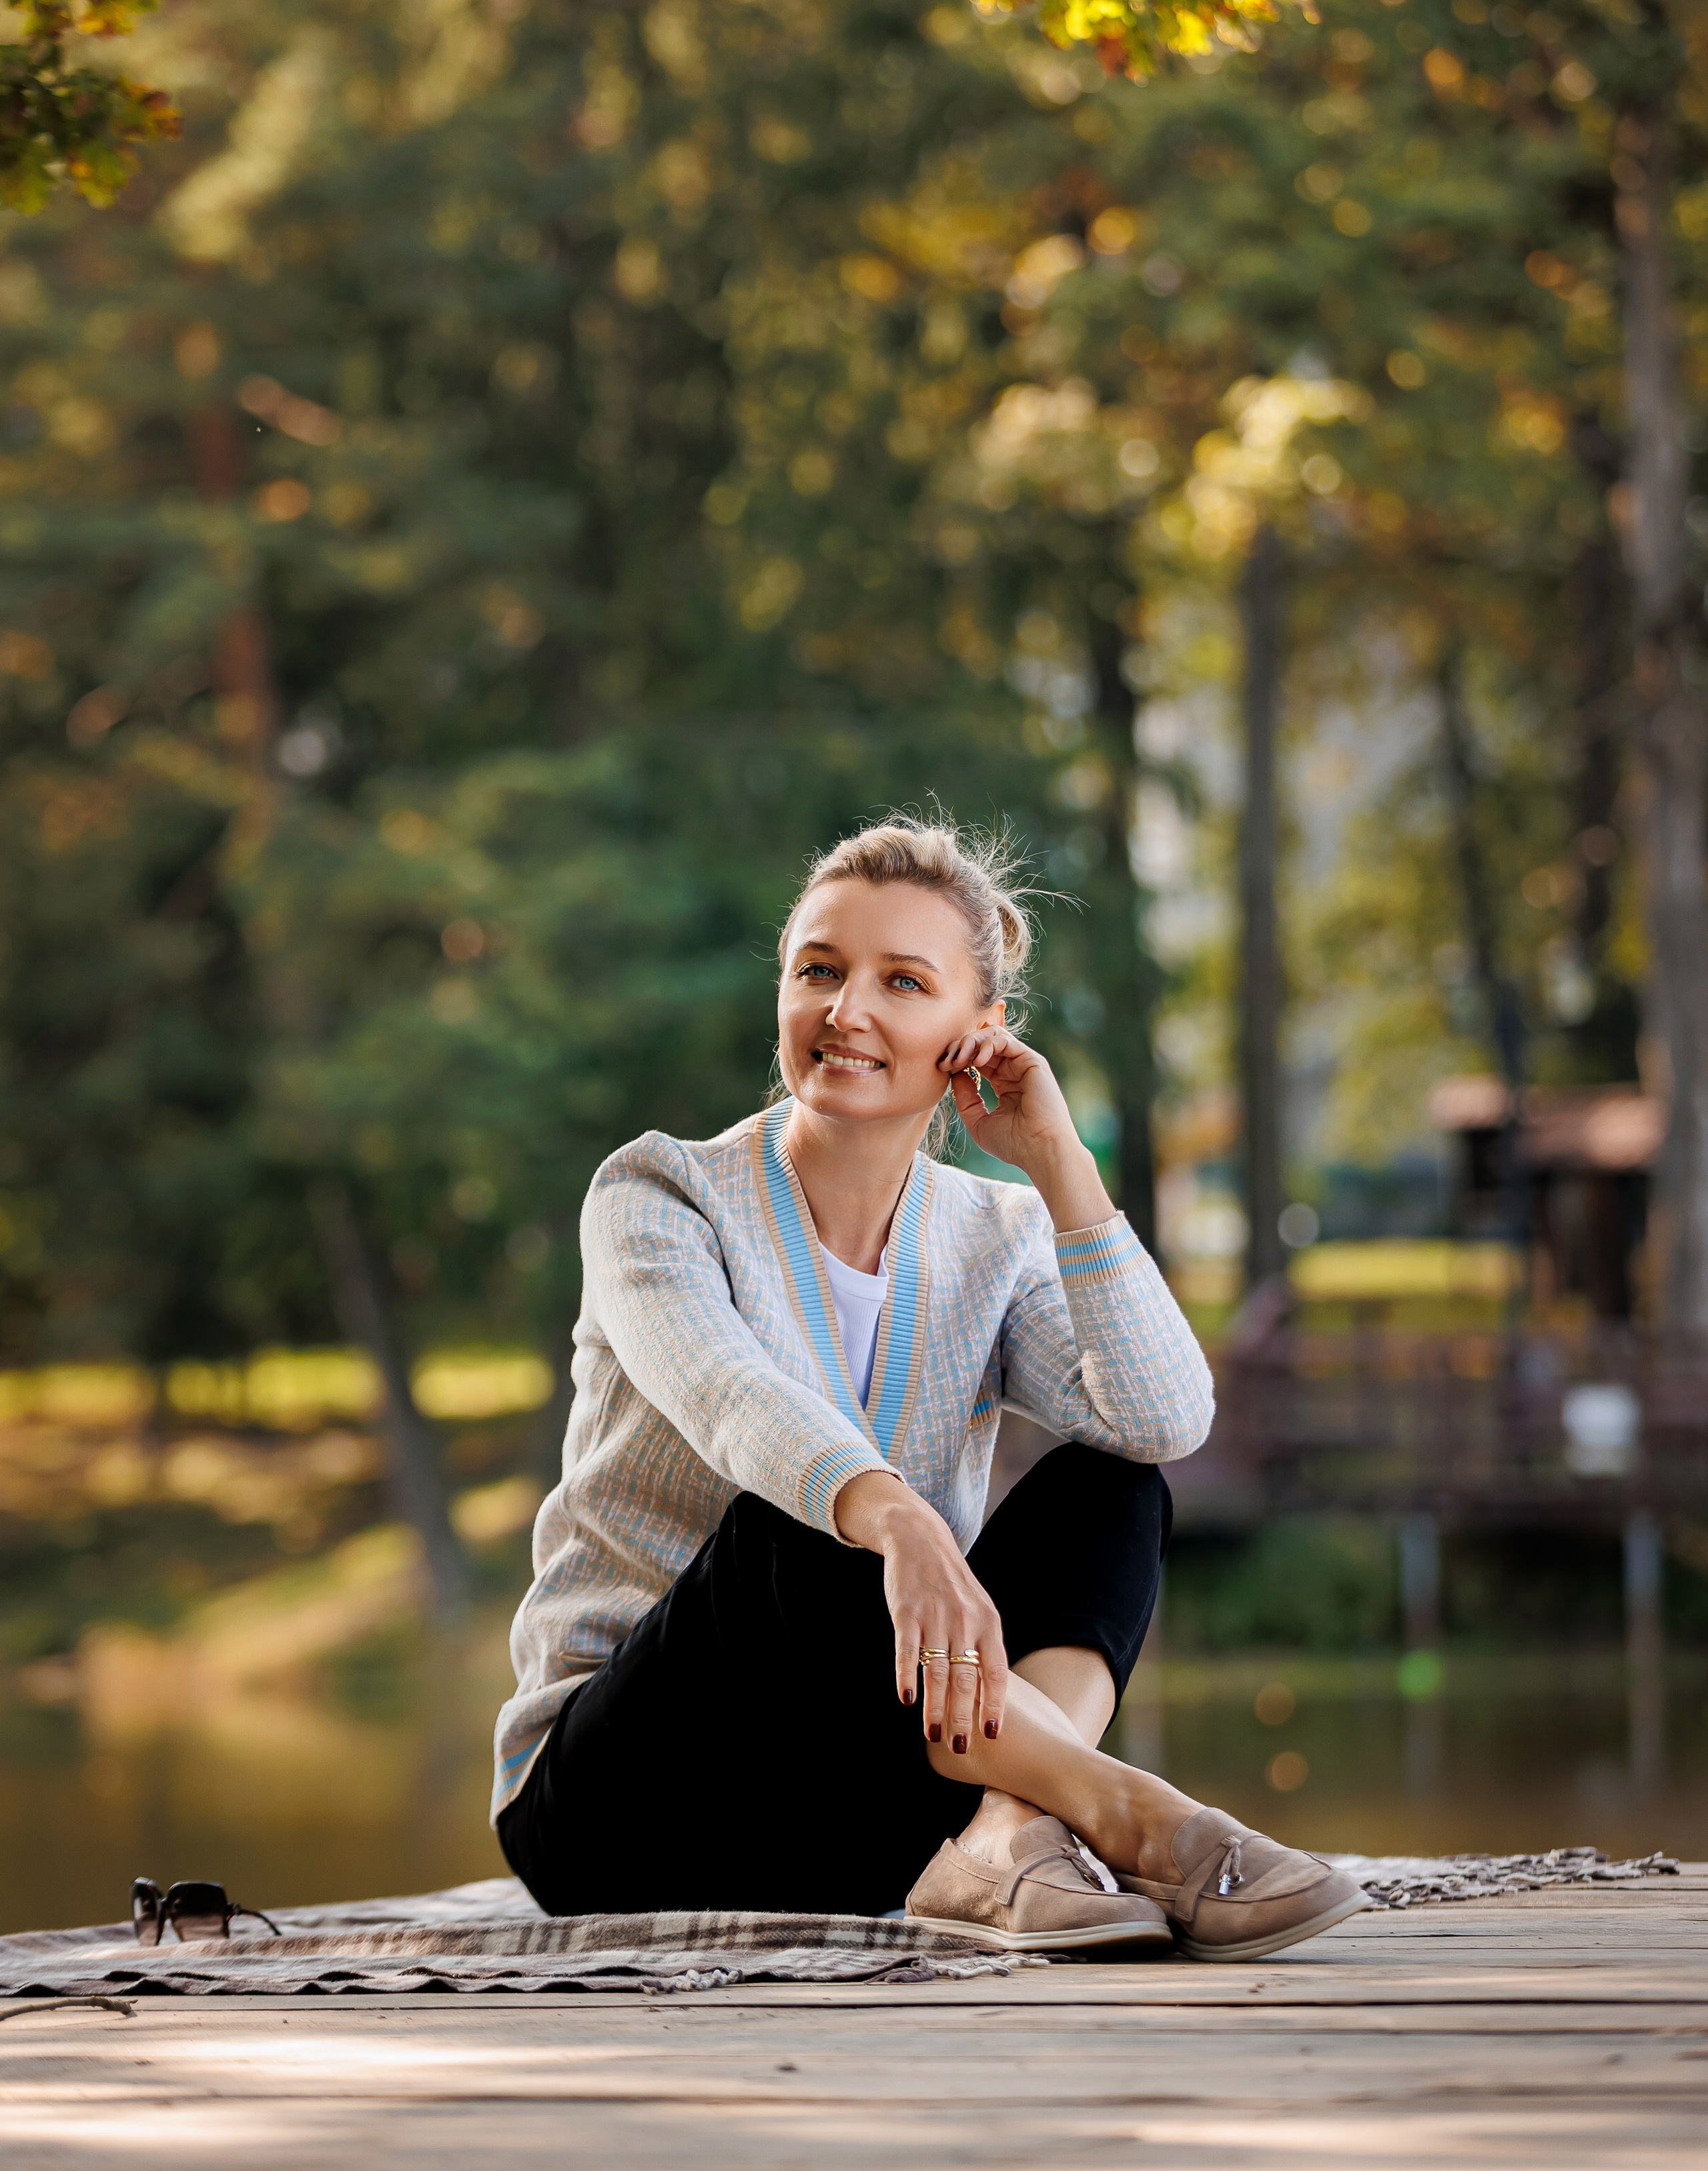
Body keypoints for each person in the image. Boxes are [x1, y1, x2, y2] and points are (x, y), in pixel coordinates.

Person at [493, 817, 1366, 1959]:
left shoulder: (992, 1235)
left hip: (866, 1805)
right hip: (624, 1803)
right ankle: (1131, 1811)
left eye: (903, 982)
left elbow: (1164, 1417)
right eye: (820, 970)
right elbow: (729, 1400)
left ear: (976, 1034)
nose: (847, 1010)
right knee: (805, 1527)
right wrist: (899, 1517)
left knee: (1117, 1487)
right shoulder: (659, 1196)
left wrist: (1060, 1163)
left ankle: (1008, 1826)